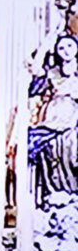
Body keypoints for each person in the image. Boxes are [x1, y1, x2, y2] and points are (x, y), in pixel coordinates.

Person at [29, 33, 78, 194]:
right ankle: (57, 189)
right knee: (52, 149)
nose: (66, 51)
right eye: (61, 48)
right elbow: (36, 85)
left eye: (69, 46)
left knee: (71, 148)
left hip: (73, 114)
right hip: (55, 114)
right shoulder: (52, 73)